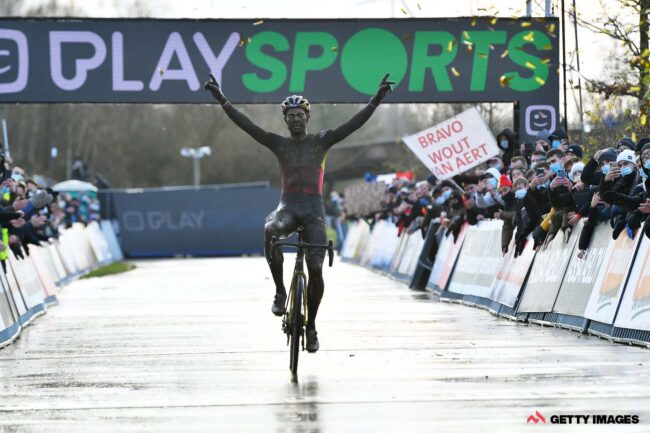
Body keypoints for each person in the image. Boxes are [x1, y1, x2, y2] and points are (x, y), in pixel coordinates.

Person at [203, 73, 395, 353]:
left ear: (307, 117)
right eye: (290, 115)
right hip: (288, 207)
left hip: (314, 210)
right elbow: (248, 125)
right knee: (270, 230)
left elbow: (352, 125)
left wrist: (375, 100)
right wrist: (222, 99)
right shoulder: (279, 144)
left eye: (299, 115)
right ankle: (281, 291)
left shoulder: (321, 141)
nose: (295, 119)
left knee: (316, 269)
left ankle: (312, 326)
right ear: (285, 120)